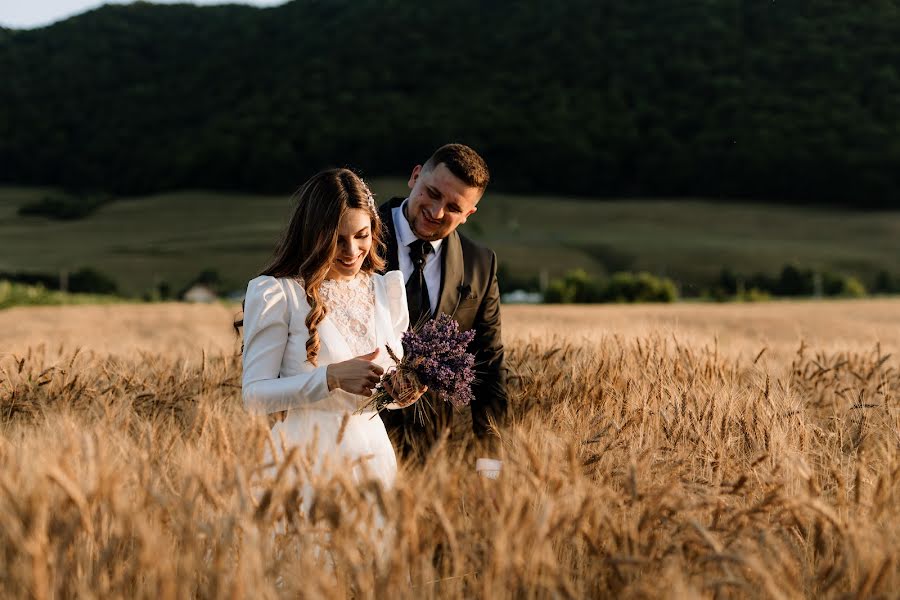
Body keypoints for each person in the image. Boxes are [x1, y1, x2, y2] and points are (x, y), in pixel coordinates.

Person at [240, 168, 426, 509]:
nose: (352, 250)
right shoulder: (277, 293)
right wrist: (331, 378)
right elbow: (253, 397)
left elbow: (385, 390)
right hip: (301, 463)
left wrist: (402, 393)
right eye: (337, 239)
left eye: (362, 235)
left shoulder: (387, 290)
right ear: (313, 234)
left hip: (373, 461)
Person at [378, 143, 508, 476]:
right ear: (415, 176)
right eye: (431, 193)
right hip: (350, 437)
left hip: (432, 454)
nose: (436, 212)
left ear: (469, 214)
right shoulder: (356, 236)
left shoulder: (480, 265)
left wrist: (491, 464)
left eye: (453, 207)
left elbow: (489, 366)